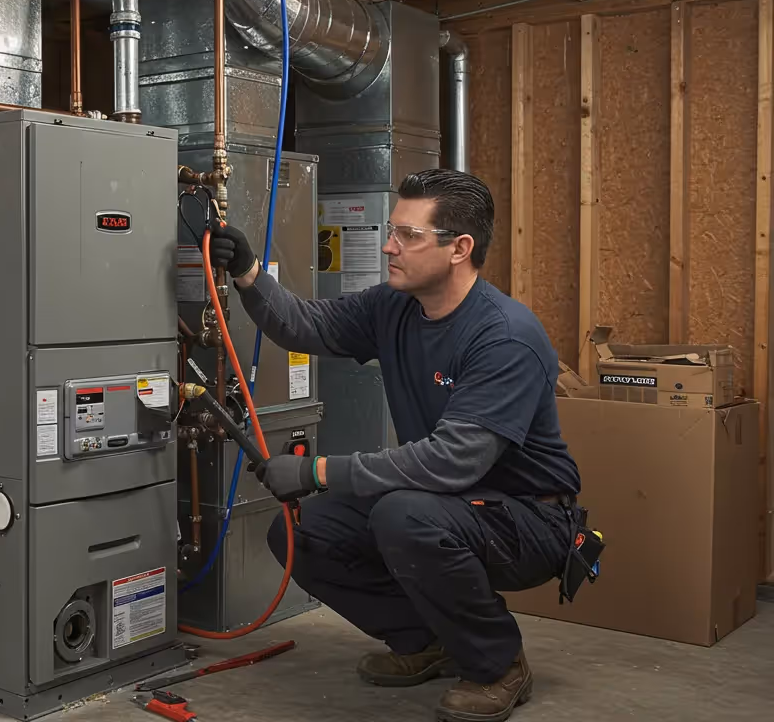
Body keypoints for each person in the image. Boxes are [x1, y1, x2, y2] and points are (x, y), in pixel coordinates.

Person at [209, 168, 581, 722]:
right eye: (392, 229)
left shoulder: (504, 337)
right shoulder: (394, 307)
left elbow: (453, 460)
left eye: (408, 235)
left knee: (406, 517)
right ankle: (426, 640)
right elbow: (304, 326)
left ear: (460, 248)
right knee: (302, 534)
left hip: (528, 518)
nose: (389, 245)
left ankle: (498, 663)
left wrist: (318, 473)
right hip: (447, 503)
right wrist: (246, 273)